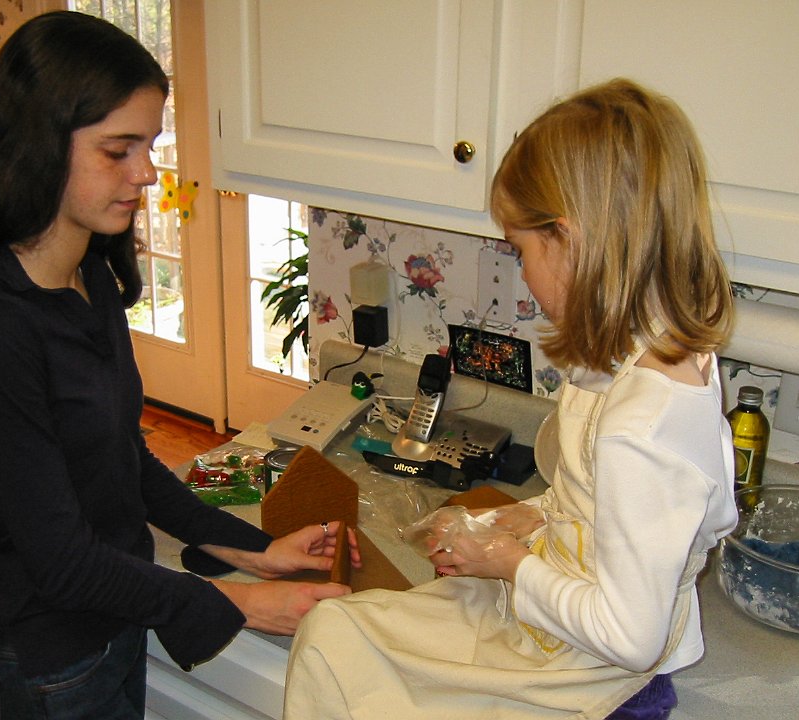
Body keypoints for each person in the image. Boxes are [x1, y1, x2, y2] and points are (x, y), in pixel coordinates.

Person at [0, 11, 358, 720]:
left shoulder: (88, 274)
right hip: (46, 662)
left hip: (111, 622)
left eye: (148, 146)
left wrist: (254, 549)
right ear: (37, 145)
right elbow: (60, 562)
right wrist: (240, 603)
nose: (147, 173)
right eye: (118, 150)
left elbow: (124, 460)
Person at [283, 79, 738, 719]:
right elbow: (620, 507)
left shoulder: (641, 422)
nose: (521, 272)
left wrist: (506, 561)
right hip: (556, 621)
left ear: (571, 241)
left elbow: (631, 637)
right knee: (336, 633)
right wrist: (531, 517)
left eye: (521, 250)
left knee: (335, 645)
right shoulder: (638, 361)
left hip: (584, 665)